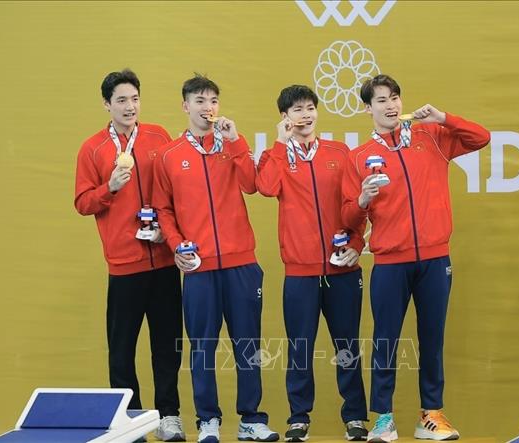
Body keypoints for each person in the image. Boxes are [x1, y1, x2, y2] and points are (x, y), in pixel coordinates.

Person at [341, 74, 490, 442]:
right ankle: (383, 418)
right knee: (385, 341)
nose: (390, 105)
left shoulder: (431, 137)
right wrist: (362, 199)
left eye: (394, 97)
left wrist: (443, 118)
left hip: (435, 260)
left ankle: (431, 415)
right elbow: (348, 217)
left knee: (432, 339)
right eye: (381, 100)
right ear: (368, 109)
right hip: (390, 263)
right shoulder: (358, 157)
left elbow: (481, 137)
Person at [153, 75, 279, 443]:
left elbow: (252, 184)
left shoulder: (232, 144)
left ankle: (251, 419)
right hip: (199, 268)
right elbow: (163, 209)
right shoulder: (170, 155)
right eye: (199, 101)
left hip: (242, 265)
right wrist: (177, 245)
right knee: (202, 348)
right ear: (185, 106)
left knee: (248, 346)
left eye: (212, 101)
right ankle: (207, 419)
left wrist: (236, 141)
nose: (207, 108)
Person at [74, 69, 185, 442]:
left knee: (167, 345)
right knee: (122, 350)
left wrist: (169, 231)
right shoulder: (92, 148)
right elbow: (82, 202)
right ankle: (132, 421)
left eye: (134, 99)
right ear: (107, 104)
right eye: (121, 100)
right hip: (124, 265)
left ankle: (169, 416)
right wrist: (108, 188)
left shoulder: (158, 136)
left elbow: (176, 190)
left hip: (164, 260)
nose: (129, 106)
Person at [256, 85, 368, 442]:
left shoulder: (340, 152)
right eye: (296, 110)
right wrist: (279, 143)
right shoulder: (275, 156)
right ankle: (299, 417)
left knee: (347, 346)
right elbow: (265, 187)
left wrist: (357, 243)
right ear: (284, 117)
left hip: (342, 269)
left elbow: (356, 206)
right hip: (300, 272)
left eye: (309, 108)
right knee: (299, 348)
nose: (305, 115)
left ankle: (355, 416)